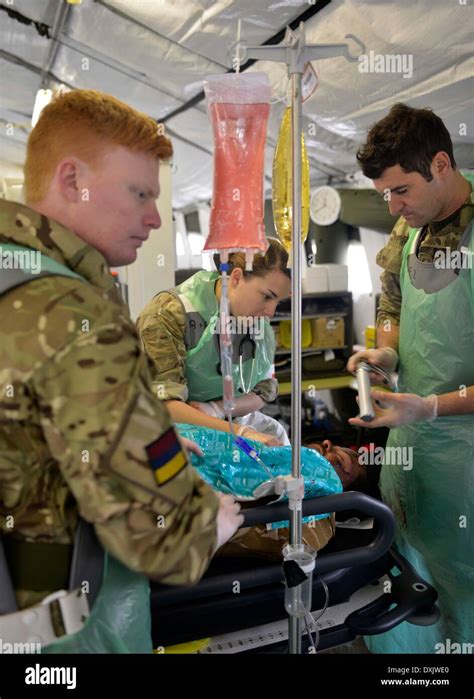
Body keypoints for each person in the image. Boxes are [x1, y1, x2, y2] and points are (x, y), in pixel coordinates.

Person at [0, 89, 243, 653]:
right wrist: (211, 524)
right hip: (60, 635)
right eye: (139, 193)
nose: (154, 217)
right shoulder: (70, 310)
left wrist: (155, 435)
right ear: (70, 180)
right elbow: (159, 541)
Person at [348, 103, 473, 654]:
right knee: (408, 585)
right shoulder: (409, 228)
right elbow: (393, 304)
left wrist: (434, 407)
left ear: (441, 163)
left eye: (401, 190)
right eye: (384, 195)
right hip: (411, 453)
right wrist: (385, 352)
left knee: (463, 598)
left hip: (464, 465)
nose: (393, 206)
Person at [136, 240, 292, 446]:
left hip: (226, 419)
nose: (271, 312)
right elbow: (164, 403)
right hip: (171, 428)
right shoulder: (167, 314)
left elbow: (263, 390)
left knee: (277, 437)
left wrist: (217, 409)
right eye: (266, 297)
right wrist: (242, 433)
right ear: (236, 277)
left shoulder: (256, 320)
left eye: (278, 301)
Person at [175, 423, 369, 560]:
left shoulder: (317, 523)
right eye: (331, 446)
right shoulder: (272, 446)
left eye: (340, 461)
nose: (327, 443)